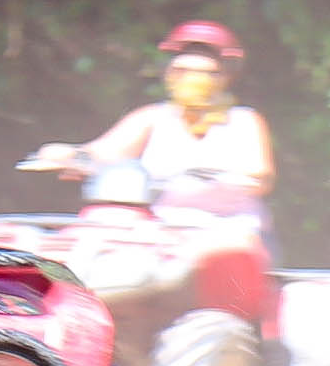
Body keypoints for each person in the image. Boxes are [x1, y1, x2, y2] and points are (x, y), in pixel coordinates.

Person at [40, 21, 276, 228]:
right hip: (163, 230)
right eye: (181, 72)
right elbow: (105, 153)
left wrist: (219, 179)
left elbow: (260, 177)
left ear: (224, 78)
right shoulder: (153, 117)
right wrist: (72, 156)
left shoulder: (244, 121)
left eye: (205, 74)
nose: (191, 80)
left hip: (231, 228)